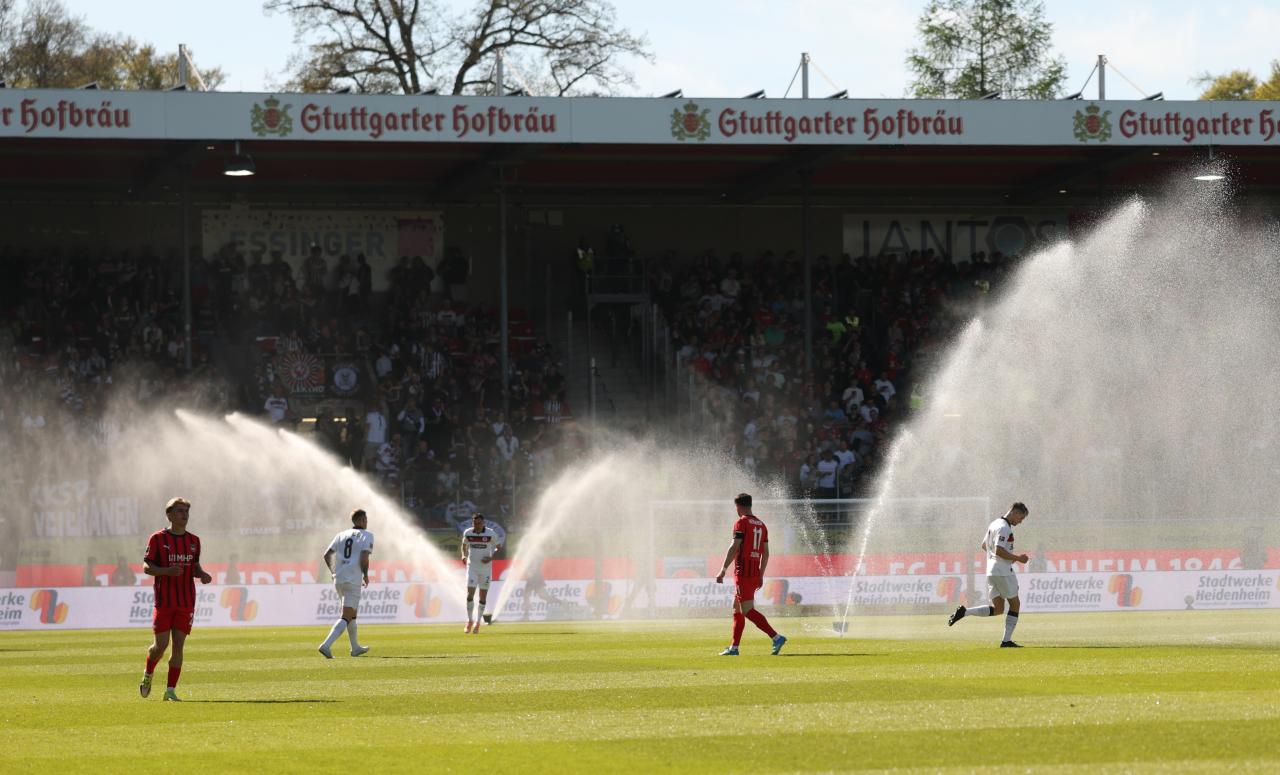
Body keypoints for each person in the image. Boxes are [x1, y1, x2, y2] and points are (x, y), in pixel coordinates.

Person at [140, 497, 212, 701]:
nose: (184, 515)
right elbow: (147, 567)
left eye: (186, 511)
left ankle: (170, 691)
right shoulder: (157, 539)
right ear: (169, 515)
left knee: (178, 645)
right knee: (160, 646)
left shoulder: (194, 541)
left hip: (186, 601)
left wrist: (203, 574)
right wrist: (166, 571)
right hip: (164, 601)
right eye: (180, 511)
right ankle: (148, 673)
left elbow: (195, 566)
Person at [947, 502, 1030, 647]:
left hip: (991, 571)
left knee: (998, 609)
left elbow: (984, 545)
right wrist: (1017, 558)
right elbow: (999, 550)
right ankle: (1006, 641)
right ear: (1015, 512)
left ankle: (964, 612)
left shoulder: (994, 524)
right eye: (1021, 518)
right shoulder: (1004, 528)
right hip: (1003, 572)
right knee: (1015, 604)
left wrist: (996, 560)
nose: (1020, 522)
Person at [714, 493, 786, 656]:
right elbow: (766, 553)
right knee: (737, 609)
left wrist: (723, 569)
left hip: (743, 573)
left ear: (738, 507)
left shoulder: (741, 522)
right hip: (754, 573)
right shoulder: (762, 525)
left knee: (747, 610)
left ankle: (776, 637)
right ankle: (734, 648)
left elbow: (734, 546)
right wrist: (761, 574)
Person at [318, 509, 374, 658]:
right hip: (352, 579)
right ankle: (326, 645)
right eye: (366, 519)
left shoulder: (341, 535)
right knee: (346, 616)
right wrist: (366, 575)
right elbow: (364, 558)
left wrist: (333, 571)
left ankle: (355, 647)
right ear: (362, 520)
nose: (367, 522)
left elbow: (327, 554)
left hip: (339, 579)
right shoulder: (367, 536)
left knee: (352, 614)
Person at [460, 512, 502, 633]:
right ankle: (469, 621)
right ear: (472, 523)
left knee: (482, 597)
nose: (477, 525)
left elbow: (498, 547)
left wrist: (491, 558)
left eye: (479, 523)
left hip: (486, 569)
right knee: (470, 595)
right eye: (475, 523)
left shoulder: (490, 533)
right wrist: (463, 555)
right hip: (472, 567)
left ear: (483, 523)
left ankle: (478, 622)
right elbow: (464, 545)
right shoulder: (468, 532)